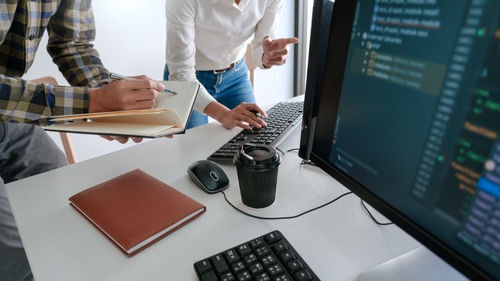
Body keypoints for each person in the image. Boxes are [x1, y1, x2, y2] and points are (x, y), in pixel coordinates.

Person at [0, 1, 171, 280]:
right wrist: (89, 103)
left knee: (66, 203)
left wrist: (107, 100)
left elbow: (72, 42)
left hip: (8, 116)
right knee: (20, 260)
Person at [165, 0, 299, 129]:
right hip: (189, 79)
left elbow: (261, 46)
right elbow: (181, 73)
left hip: (235, 76)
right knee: (193, 146)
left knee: (256, 134)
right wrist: (224, 115)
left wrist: (267, 56)